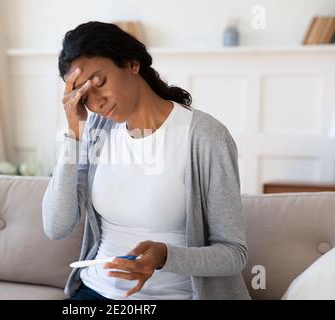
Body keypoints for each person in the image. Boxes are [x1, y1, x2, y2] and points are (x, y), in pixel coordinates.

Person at [42, 21, 251, 300]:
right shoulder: (96, 132)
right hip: (95, 292)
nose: (97, 103)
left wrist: (165, 256)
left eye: (99, 82)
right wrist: (74, 134)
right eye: (83, 95)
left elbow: (233, 254)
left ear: (131, 64)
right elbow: (56, 227)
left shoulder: (204, 136)